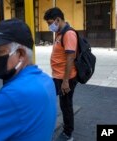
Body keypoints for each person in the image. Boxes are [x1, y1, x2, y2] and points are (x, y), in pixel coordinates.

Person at [44, 7, 78, 141]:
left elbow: (70, 58)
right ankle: (49, 123)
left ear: (58, 19)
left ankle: (68, 134)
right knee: (50, 98)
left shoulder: (68, 34)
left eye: (50, 22)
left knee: (66, 105)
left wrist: (65, 82)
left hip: (66, 78)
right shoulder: (59, 33)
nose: (49, 26)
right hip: (58, 76)